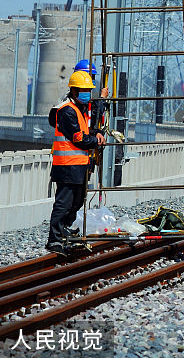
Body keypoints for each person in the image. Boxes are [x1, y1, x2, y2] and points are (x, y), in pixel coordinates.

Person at [46, 71, 105, 253]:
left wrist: (96, 133)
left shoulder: (79, 109)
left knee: (78, 201)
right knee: (63, 204)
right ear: (73, 90)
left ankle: (64, 229)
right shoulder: (67, 111)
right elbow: (78, 138)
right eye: (83, 90)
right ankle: (54, 240)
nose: (87, 93)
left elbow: (85, 132)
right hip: (66, 165)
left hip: (78, 165)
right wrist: (95, 141)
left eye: (89, 90)